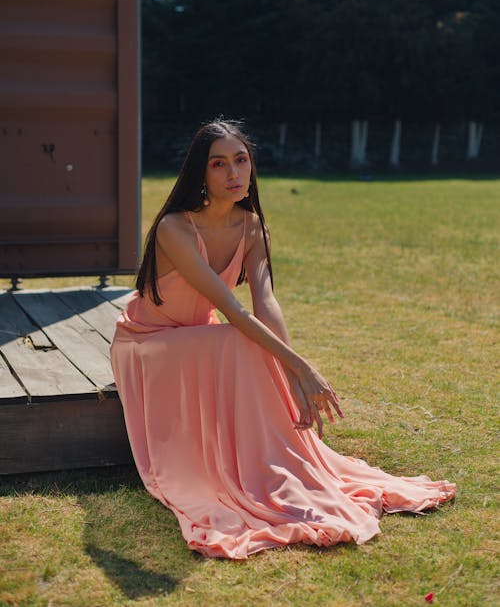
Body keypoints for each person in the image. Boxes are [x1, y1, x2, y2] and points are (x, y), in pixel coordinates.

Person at [110, 119, 455, 559]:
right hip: (147, 343)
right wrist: (301, 369)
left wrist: (293, 372)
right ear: (201, 172)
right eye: (219, 164)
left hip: (198, 336)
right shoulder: (175, 228)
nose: (234, 173)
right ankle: (253, 474)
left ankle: (270, 469)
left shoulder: (252, 227)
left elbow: (265, 303)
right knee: (238, 340)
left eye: (241, 160)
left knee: (245, 341)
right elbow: (234, 312)